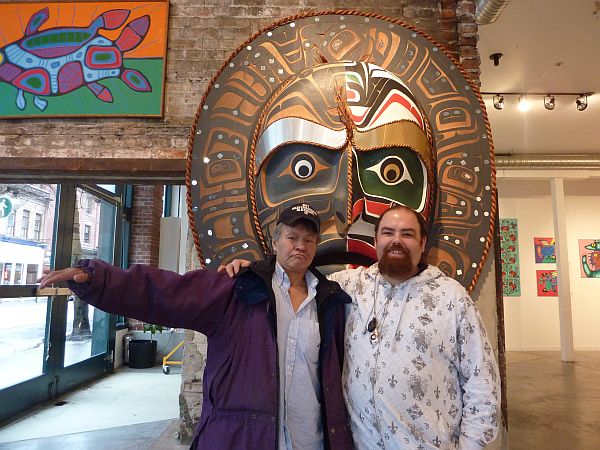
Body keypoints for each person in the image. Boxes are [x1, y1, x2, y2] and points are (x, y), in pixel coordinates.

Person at [39, 203, 353, 450]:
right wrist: (99, 280)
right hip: (242, 439)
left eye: (309, 240)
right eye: (292, 237)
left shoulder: (330, 301)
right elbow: (166, 293)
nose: (300, 246)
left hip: (309, 440)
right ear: (274, 241)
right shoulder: (238, 287)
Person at [222, 205, 501, 450]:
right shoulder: (346, 286)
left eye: (407, 234)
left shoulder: (452, 297)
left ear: (422, 242)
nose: (396, 241)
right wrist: (256, 271)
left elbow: (482, 381)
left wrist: (472, 445)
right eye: (388, 233)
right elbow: (296, 276)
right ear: (376, 240)